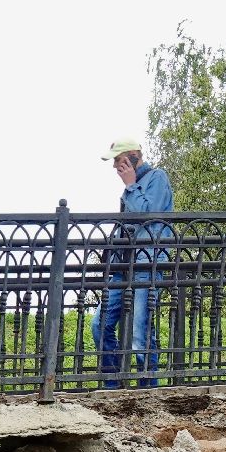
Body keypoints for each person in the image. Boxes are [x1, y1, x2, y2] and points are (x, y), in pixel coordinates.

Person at [96, 137, 173, 387]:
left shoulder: (157, 178)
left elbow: (148, 215)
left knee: (141, 331)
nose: (115, 166)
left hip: (147, 263)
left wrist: (130, 185)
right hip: (123, 266)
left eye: (118, 160)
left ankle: (147, 389)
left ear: (133, 157)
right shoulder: (131, 187)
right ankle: (113, 384)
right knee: (99, 324)